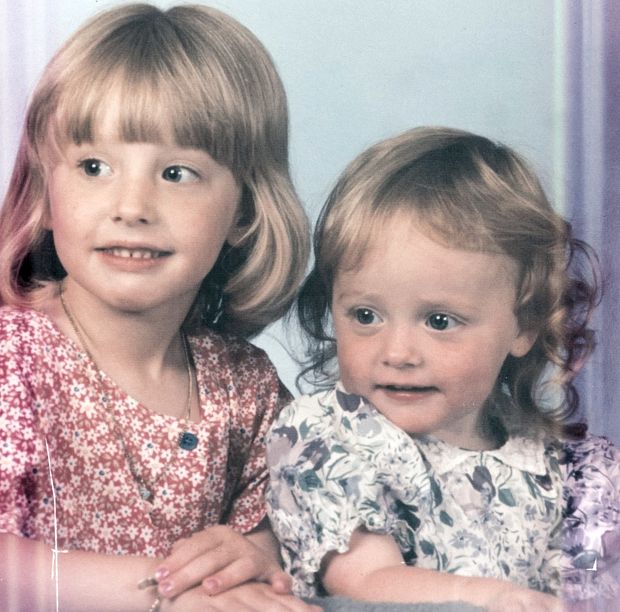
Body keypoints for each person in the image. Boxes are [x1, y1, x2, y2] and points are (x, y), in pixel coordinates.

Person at [0, 4, 319, 611]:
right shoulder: (14, 362)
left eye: (177, 173)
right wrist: (167, 595)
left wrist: (257, 554)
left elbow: (297, 529)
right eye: (94, 166)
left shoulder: (244, 389)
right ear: (46, 187)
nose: (132, 206)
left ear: (245, 211)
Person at [266, 127, 620, 611]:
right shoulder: (330, 438)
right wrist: (485, 597)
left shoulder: (567, 473)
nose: (398, 351)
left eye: (439, 321)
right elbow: (363, 582)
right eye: (365, 316)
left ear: (524, 326)